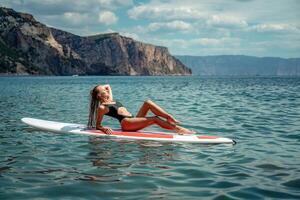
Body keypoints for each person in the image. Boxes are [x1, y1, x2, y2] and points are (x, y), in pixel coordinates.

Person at [88, 84, 196, 135]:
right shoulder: (102, 107)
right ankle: (178, 129)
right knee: (155, 119)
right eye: (103, 91)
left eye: (105, 91)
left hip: (132, 120)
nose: (106, 92)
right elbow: (98, 124)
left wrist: (102, 88)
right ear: (98, 96)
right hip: (127, 124)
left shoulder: (110, 99)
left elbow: (108, 86)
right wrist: (103, 128)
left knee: (147, 103)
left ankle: (169, 117)